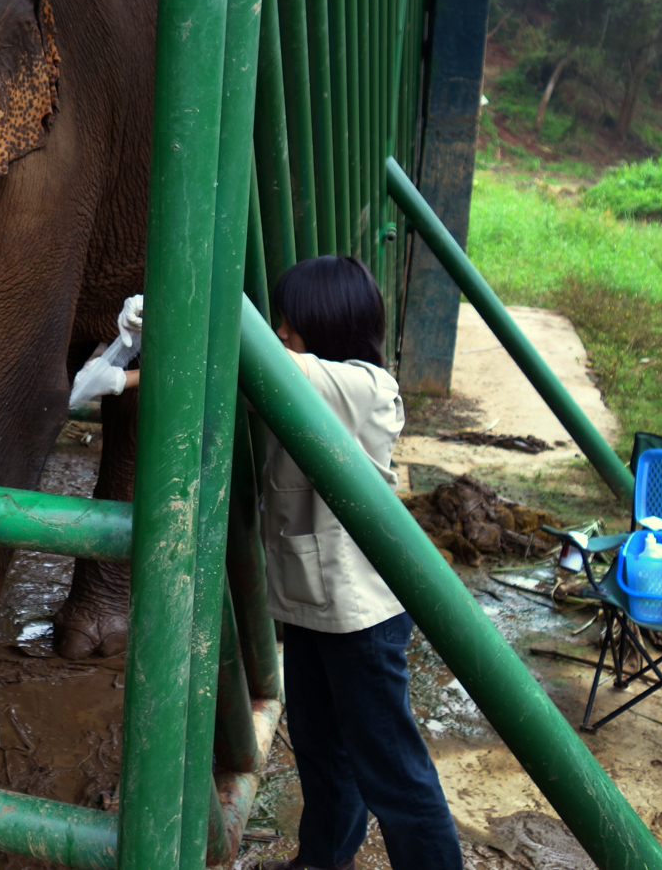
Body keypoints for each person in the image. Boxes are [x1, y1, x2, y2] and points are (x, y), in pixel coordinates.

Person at [258, 256, 462, 870]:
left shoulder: (364, 388)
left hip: (361, 619)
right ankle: (322, 859)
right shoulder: (312, 379)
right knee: (323, 754)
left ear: (325, 321)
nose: (281, 330)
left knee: (391, 771)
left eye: (289, 319)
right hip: (311, 603)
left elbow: (263, 358)